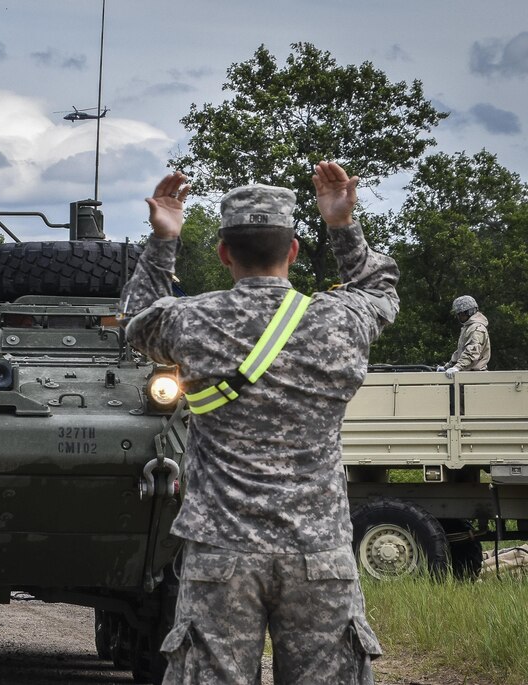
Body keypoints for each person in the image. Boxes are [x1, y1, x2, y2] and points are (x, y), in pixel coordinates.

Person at [120, 161, 398, 684]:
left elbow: (136, 320)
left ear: (224, 253)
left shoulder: (191, 320)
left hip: (221, 553)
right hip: (319, 555)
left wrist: (163, 240)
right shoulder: (340, 320)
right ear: (293, 250)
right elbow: (380, 289)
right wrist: (341, 225)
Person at [438, 295, 490, 378]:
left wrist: (457, 367)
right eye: (458, 314)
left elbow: (472, 352)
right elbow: (461, 352)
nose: (459, 317)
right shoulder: (468, 327)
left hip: (475, 377)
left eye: (461, 314)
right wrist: (448, 367)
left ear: (469, 312)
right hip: (467, 375)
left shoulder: (477, 329)